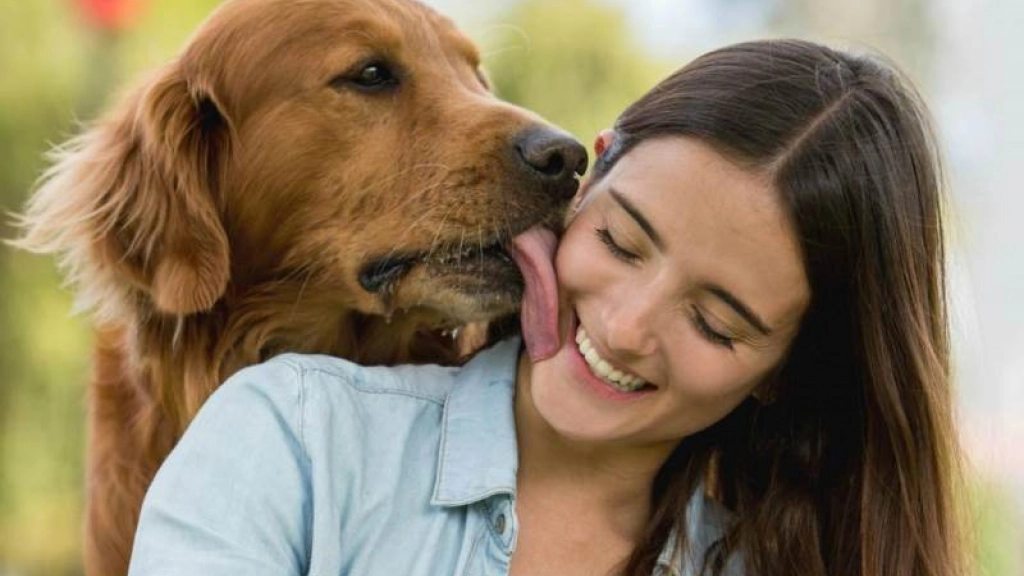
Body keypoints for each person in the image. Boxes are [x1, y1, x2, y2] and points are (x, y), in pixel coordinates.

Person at [127, 39, 965, 576]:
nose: (627, 327)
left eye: (717, 322)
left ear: (788, 369)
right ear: (588, 175)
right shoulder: (294, 442)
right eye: (623, 244)